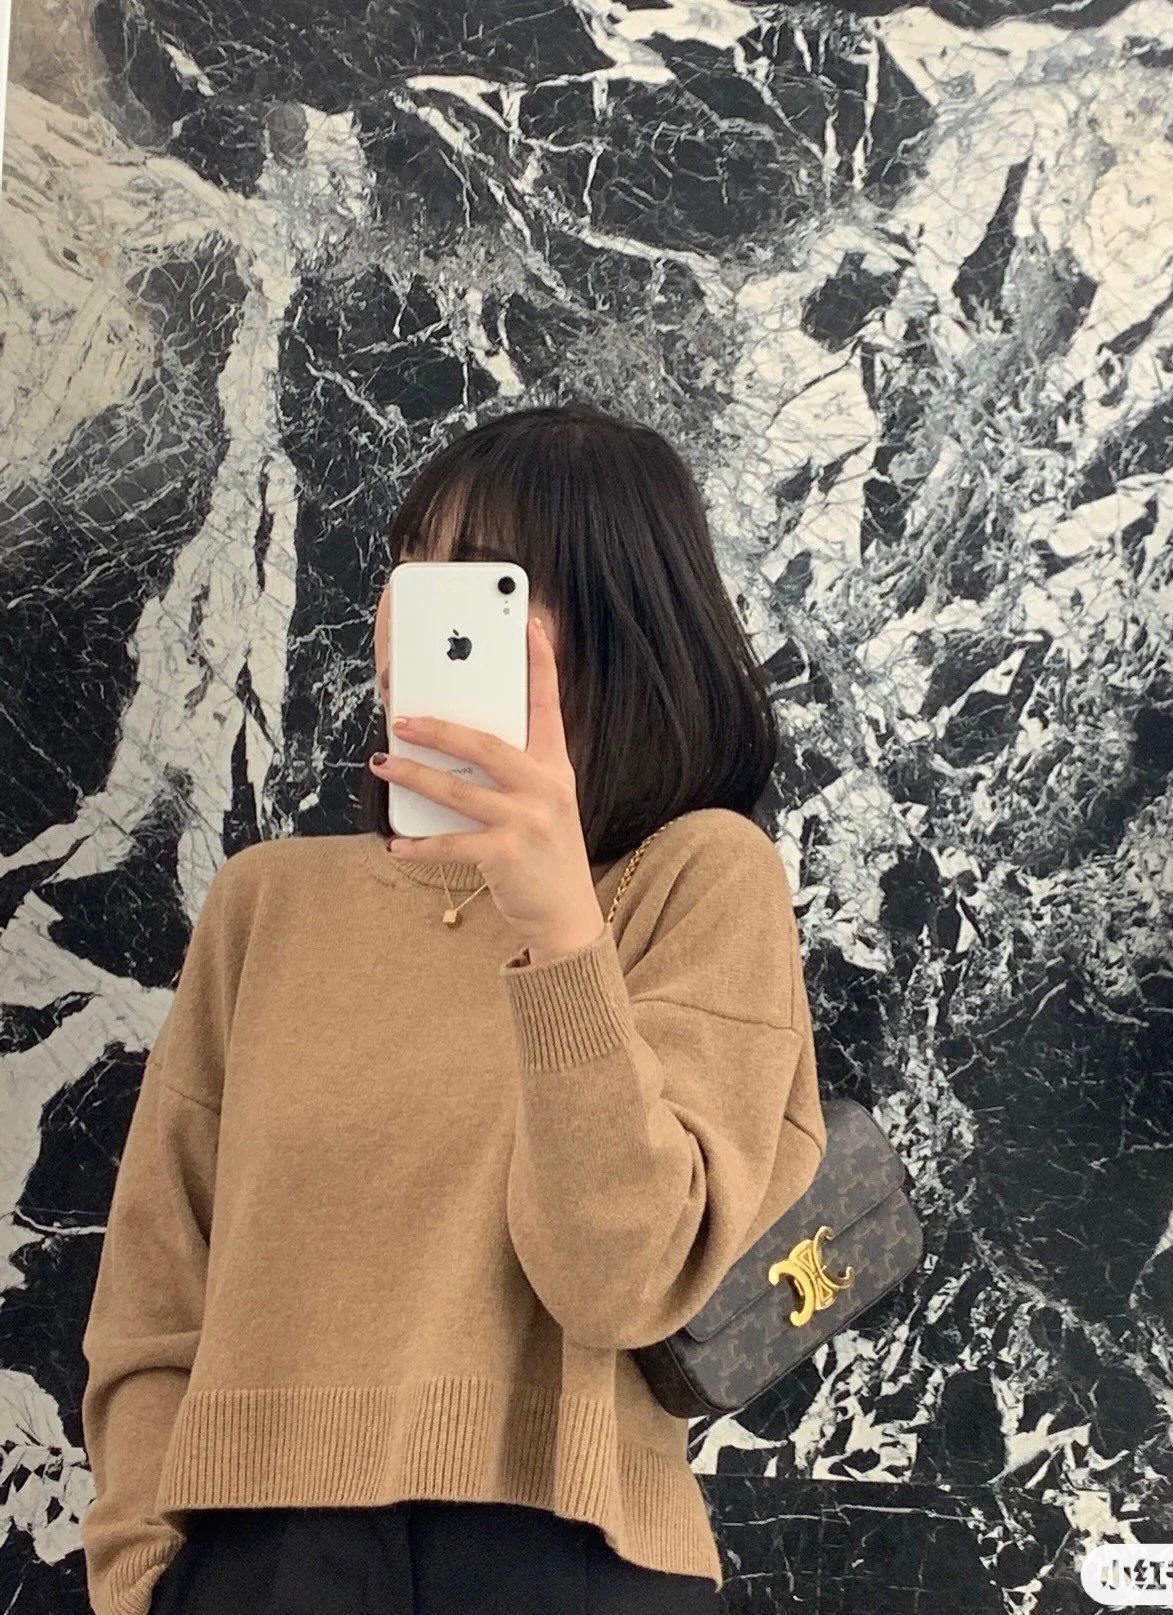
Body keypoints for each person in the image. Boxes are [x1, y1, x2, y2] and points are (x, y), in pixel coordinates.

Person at [80, 400, 828, 1615]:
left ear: (614, 623)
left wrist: (560, 934)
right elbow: (156, 1287)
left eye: (480, 582)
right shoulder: (269, 903)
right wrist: (141, 1573)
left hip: (565, 1559)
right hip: (259, 1563)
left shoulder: (698, 878)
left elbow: (623, 1279)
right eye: (407, 568)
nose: (410, 614)